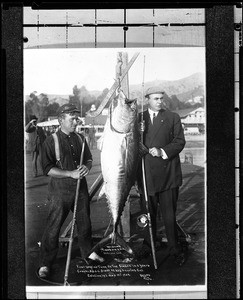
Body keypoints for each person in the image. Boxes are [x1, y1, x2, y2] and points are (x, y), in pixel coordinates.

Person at [38, 104, 104, 279]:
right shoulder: (51, 140)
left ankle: (88, 253)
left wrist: (87, 167)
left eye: (76, 118)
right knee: (53, 228)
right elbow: (47, 169)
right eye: (72, 119)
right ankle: (46, 262)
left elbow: (89, 159)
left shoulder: (81, 138)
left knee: (85, 224)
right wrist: (70, 173)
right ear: (61, 120)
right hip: (59, 191)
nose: (76, 121)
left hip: (80, 189)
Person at [138, 86, 186, 266]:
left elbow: (180, 141)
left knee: (168, 215)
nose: (160, 102)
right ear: (147, 99)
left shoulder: (173, 117)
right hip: (145, 174)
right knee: (147, 213)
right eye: (156, 99)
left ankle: (174, 248)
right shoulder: (138, 118)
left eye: (161, 98)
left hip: (168, 175)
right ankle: (149, 243)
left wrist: (162, 151)